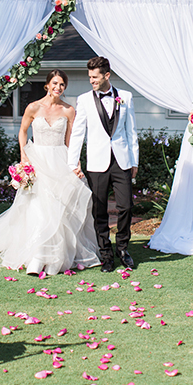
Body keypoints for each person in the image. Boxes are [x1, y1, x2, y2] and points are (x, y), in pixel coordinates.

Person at [0, 69, 100, 275]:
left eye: (62, 85)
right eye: (55, 83)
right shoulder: (33, 107)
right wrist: (23, 156)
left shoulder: (68, 110)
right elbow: (22, 131)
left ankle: (53, 257)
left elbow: (71, 142)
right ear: (47, 84)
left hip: (60, 161)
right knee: (39, 208)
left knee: (59, 209)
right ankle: (37, 257)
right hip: (37, 160)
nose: (58, 88)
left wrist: (76, 165)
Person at [68, 56, 139, 273]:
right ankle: (106, 254)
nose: (92, 81)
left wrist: (134, 160)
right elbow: (78, 132)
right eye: (90, 77)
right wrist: (73, 162)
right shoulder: (84, 100)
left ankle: (124, 249)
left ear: (107, 75)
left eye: (95, 77)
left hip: (122, 160)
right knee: (99, 211)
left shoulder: (126, 97)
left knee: (126, 206)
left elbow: (131, 130)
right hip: (97, 163)